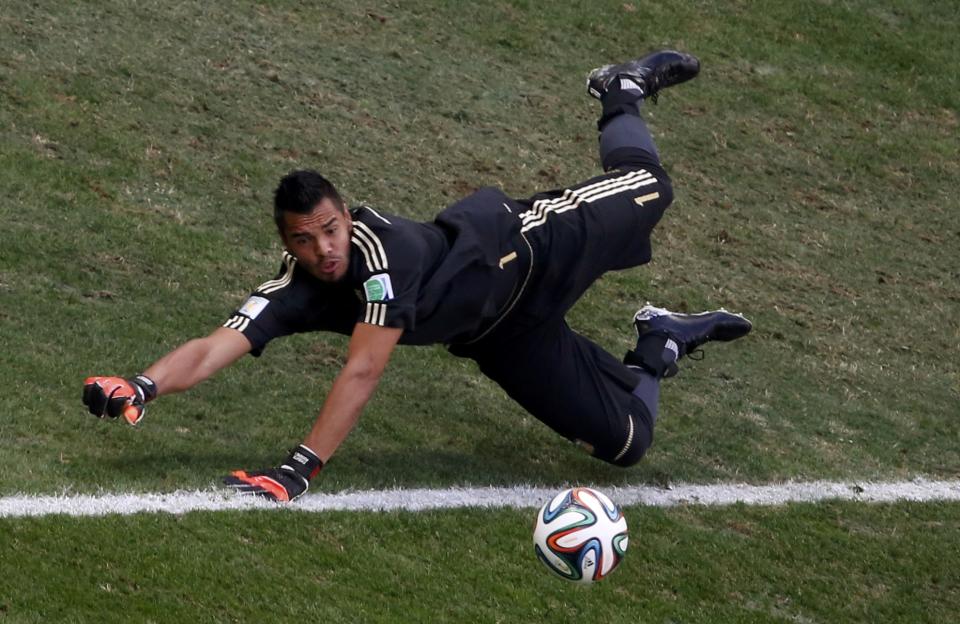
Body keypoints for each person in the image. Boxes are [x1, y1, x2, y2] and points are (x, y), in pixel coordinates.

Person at [82, 50, 752, 502]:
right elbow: (214, 344)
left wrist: (298, 471)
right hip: (502, 336)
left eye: (330, 229)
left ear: (347, 215)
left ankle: (620, 91)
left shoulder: (382, 258)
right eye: (304, 241)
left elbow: (364, 370)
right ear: (286, 241)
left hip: (537, 247)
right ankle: (660, 344)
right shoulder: (299, 286)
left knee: (649, 186)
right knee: (628, 443)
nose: (324, 251)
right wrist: (143, 383)